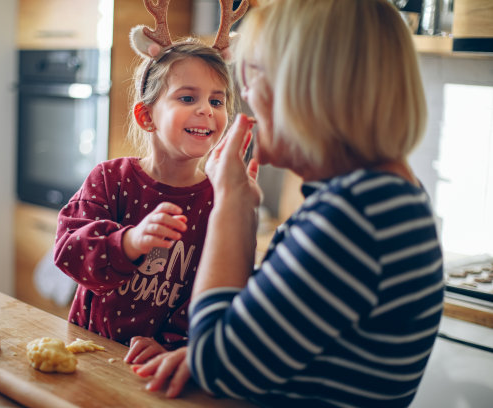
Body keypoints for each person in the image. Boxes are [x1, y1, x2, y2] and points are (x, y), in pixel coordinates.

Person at [187, 0, 445, 407]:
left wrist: (232, 204)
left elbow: (218, 366)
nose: (246, 94)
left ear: (305, 91)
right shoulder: (382, 199)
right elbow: (255, 339)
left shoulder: (355, 216)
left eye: (255, 77)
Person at [53, 38, 236, 396]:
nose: (206, 110)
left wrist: (172, 345)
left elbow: (213, 293)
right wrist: (129, 241)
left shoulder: (221, 201)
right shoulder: (109, 178)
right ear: (146, 115)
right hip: (89, 354)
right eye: (188, 98)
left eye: (217, 100)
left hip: (159, 371)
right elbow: (69, 252)